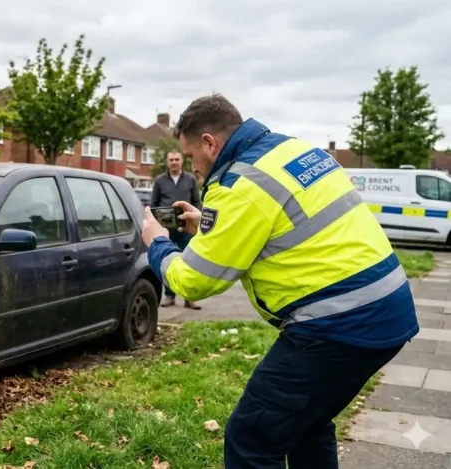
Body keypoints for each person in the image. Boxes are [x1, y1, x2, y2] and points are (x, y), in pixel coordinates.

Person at [142, 94, 418, 469]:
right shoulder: (294, 151)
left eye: (190, 154)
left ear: (209, 142)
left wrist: (157, 242)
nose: (193, 164)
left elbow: (193, 281)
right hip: (389, 308)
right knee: (307, 424)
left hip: (337, 325)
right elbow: (279, 220)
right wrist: (210, 219)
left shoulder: (240, 184)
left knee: (251, 437)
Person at [150, 149, 202, 309]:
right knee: (167, 259)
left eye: (176, 159)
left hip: (186, 225)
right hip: (167, 226)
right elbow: (154, 203)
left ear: (181, 161)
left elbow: (196, 201)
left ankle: (189, 297)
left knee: (190, 260)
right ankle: (169, 296)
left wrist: (197, 219)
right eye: (171, 160)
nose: (174, 162)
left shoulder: (190, 179)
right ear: (167, 162)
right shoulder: (159, 181)